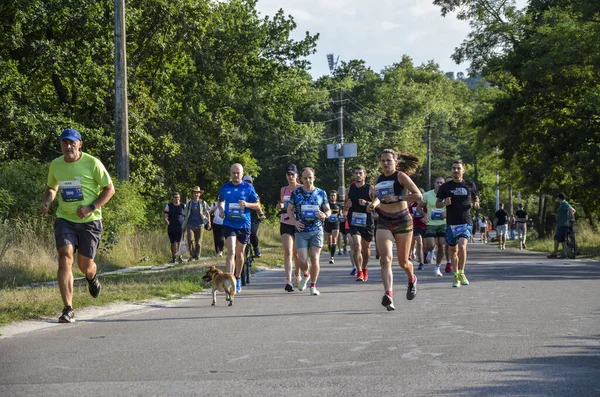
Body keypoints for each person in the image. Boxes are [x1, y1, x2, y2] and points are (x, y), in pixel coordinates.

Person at [41, 128, 115, 323]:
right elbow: (51, 187)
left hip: (90, 222)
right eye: (64, 143)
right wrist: (48, 201)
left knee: (85, 265)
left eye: (72, 142)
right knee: (65, 257)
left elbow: (110, 189)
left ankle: (92, 277)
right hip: (65, 219)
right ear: (61, 145)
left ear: (79, 144)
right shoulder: (56, 165)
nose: (68, 146)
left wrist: (91, 207)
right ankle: (68, 308)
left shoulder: (92, 163)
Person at [371, 150, 422, 311]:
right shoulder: (377, 179)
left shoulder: (400, 176)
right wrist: (373, 203)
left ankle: (412, 278)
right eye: (383, 160)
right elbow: (377, 197)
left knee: (403, 262)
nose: (386, 163)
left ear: (395, 162)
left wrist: (398, 198)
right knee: (385, 259)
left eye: (389, 160)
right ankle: (389, 295)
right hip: (384, 220)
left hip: (402, 221)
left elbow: (418, 196)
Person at [287, 167, 331, 296]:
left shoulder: (321, 193)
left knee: (315, 258)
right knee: (302, 259)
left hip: (316, 229)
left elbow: (328, 209)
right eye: (305, 178)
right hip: (301, 230)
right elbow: (289, 209)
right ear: (301, 179)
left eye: (310, 177)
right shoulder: (296, 193)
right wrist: (295, 222)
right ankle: (306, 275)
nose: (307, 180)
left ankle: (313, 286)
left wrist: (325, 215)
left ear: (314, 178)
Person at [218, 164, 262, 293]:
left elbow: (257, 204)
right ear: (230, 173)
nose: (236, 176)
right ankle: (228, 279)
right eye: (233, 173)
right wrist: (221, 209)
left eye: (238, 173)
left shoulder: (248, 188)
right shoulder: (225, 187)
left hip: (244, 224)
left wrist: (247, 204)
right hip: (229, 223)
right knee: (231, 251)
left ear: (242, 174)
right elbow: (221, 201)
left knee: (240, 253)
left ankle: (237, 278)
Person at [436, 160, 480, 288]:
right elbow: (437, 203)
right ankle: (456, 275)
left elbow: (475, 198)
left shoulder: (469, 185)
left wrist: (476, 203)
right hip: (451, 223)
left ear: (463, 170)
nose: (456, 171)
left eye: (458, 168)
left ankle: (462, 272)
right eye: (454, 168)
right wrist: (444, 203)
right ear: (451, 170)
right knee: (452, 250)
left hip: (465, 221)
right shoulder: (446, 187)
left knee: (462, 246)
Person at [346, 166, 375, 282]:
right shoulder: (350, 189)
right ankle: (359, 271)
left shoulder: (370, 189)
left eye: (360, 173)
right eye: (356, 173)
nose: (358, 175)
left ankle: (364, 267)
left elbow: (376, 204)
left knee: (366, 249)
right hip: (354, 220)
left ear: (364, 175)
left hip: (367, 221)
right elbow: (345, 203)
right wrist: (347, 205)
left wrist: (367, 203)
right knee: (357, 245)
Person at [277, 164, 302, 292]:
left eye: (292, 174)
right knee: (288, 251)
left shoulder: (301, 188)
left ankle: (298, 275)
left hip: (298, 223)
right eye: (288, 175)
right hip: (286, 222)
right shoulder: (283, 190)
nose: (290, 177)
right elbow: (282, 203)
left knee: (296, 254)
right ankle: (288, 281)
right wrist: (280, 205)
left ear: (297, 176)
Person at [417, 176, 447, 277]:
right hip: (431, 224)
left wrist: (447, 214)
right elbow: (418, 207)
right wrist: (424, 215)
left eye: (441, 183)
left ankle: (437, 267)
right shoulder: (427, 195)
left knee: (442, 245)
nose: (439, 185)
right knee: (430, 245)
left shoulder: (447, 195)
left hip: (443, 223)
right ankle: (427, 253)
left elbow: (454, 208)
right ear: (434, 184)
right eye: (437, 183)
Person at [182, 186, 211, 261]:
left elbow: (207, 213)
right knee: (190, 240)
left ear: (199, 194)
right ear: (192, 194)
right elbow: (185, 215)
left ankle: (197, 255)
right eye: (194, 193)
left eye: (197, 193)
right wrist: (184, 226)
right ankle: (192, 255)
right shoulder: (189, 204)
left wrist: (209, 222)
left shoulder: (202, 203)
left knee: (198, 242)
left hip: (200, 224)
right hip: (190, 224)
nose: (196, 195)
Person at [243, 175, 266, 257]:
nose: (247, 184)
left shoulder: (254, 193)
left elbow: (258, 206)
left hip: (253, 216)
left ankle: (256, 248)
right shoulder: (239, 192)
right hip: (242, 216)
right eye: (245, 182)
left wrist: (261, 214)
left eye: (249, 182)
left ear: (252, 184)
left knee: (252, 233)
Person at [547, 192, 576, 259]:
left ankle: (555, 253)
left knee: (556, 238)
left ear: (558, 198)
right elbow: (573, 210)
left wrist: (572, 217)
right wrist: (569, 216)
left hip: (563, 224)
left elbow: (571, 210)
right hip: (562, 224)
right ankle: (564, 254)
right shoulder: (565, 203)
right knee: (563, 240)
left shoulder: (563, 203)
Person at [163, 192, 186, 263]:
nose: (177, 199)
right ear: (172, 198)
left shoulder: (183, 206)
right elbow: (165, 215)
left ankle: (180, 257)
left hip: (181, 227)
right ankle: (173, 257)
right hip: (172, 226)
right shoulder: (168, 206)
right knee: (173, 243)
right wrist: (166, 221)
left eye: (178, 197)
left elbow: (186, 215)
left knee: (179, 242)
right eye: (175, 197)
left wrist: (186, 224)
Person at [410, 188, 427, 271]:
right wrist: (411, 217)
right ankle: (421, 263)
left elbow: (430, 214)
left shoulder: (426, 205)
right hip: (416, 226)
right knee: (419, 243)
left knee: (426, 245)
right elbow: (410, 215)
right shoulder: (412, 205)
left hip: (426, 226)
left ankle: (426, 254)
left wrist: (426, 218)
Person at [324, 190, 341, 264]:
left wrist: (342, 216)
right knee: (329, 242)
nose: (333, 197)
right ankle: (330, 251)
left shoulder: (339, 205)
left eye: (334, 195)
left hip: (335, 224)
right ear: (329, 196)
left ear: (336, 196)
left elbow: (340, 213)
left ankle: (332, 257)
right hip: (327, 224)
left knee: (334, 239)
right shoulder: (326, 204)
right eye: (331, 195)